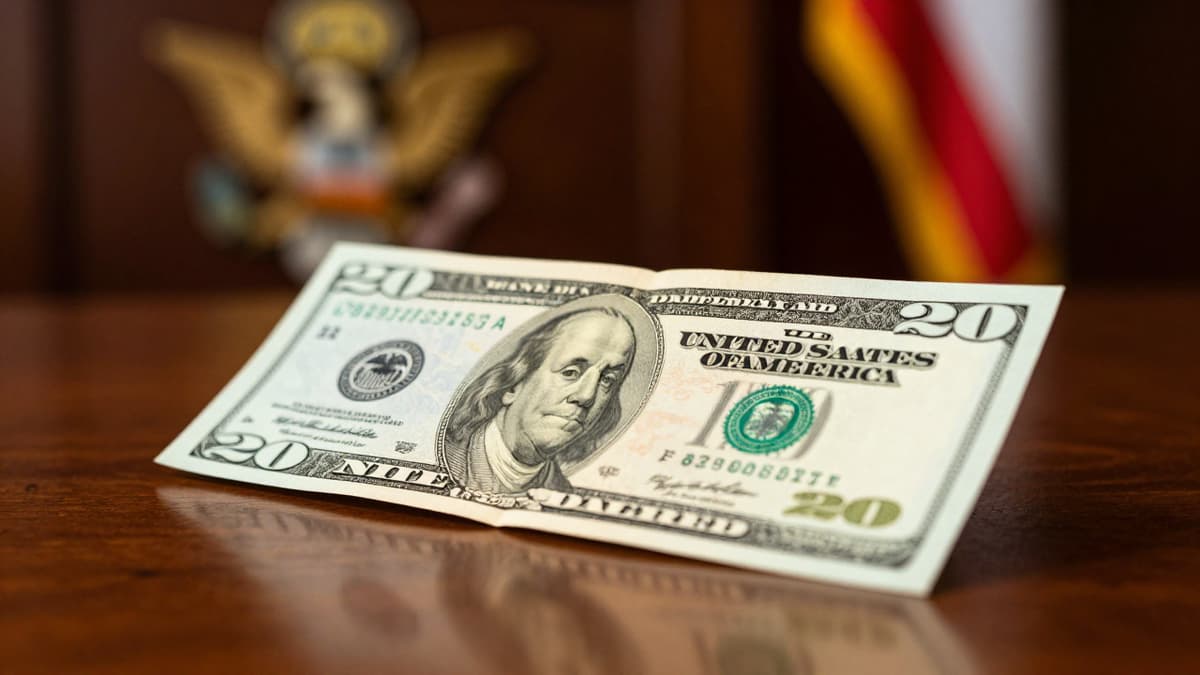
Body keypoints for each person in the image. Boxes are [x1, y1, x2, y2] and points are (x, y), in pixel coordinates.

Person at [444, 307, 637, 494]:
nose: (586, 396)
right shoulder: (449, 457)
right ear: (515, 384)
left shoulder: (562, 494)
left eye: (607, 380)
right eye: (570, 372)